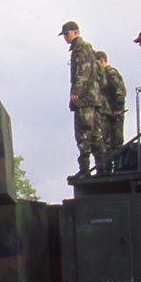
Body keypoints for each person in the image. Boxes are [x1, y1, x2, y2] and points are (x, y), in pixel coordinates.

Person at [60, 20, 107, 175]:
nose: (66, 37)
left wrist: (77, 92)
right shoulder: (87, 49)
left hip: (85, 99)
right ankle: (103, 168)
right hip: (92, 98)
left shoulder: (80, 47)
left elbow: (84, 71)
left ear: (76, 32)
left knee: (84, 133)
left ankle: (86, 169)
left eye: (67, 33)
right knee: (95, 134)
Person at [96, 50, 127, 156]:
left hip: (114, 113)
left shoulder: (110, 73)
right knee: (106, 142)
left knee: (116, 142)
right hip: (107, 113)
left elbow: (119, 92)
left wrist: (118, 109)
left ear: (101, 61)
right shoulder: (102, 75)